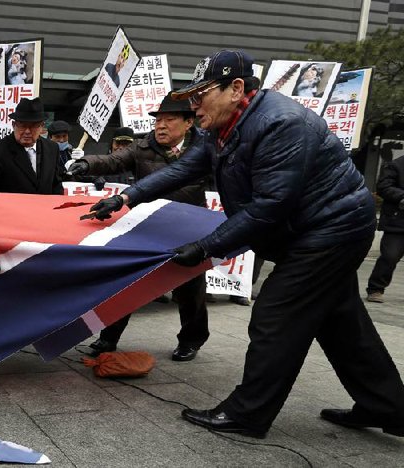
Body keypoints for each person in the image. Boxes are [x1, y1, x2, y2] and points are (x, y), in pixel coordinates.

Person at [85, 49, 404, 438]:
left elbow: (268, 206)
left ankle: (248, 414)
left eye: (201, 95)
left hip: (330, 232)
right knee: (342, 323)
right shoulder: (221, 125)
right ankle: (388, 408)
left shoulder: (282, 124)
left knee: (275, 315)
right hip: (305, 230)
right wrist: (126, 198)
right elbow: (185, 168)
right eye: (191, 96)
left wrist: (205, 247)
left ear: (236, 88)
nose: (194, 106)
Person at [68, 95, 209, 361]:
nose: (161, 126)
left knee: (190, 291)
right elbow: (113, 161)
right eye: (158, 120)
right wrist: (86, 163)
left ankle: (192, 340)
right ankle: (108, 338)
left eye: (169, 120)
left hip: (188, 231)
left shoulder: (206, 148)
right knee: (127, 284)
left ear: (189, 122)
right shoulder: (142, 146)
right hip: (148, 226)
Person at [0, 97, 62, 195]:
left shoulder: (52, 148)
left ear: (42, 127)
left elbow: (56, 184)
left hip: (44, 208)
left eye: (33, 126)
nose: (27, 131)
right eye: (22, 125)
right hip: (11, 209)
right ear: (14, 125)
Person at [366, 155, 404, 303]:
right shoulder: (396, 165)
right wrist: (402, 196)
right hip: (398, 222)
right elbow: (383, 187)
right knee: (390, 257)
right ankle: (375, 288)